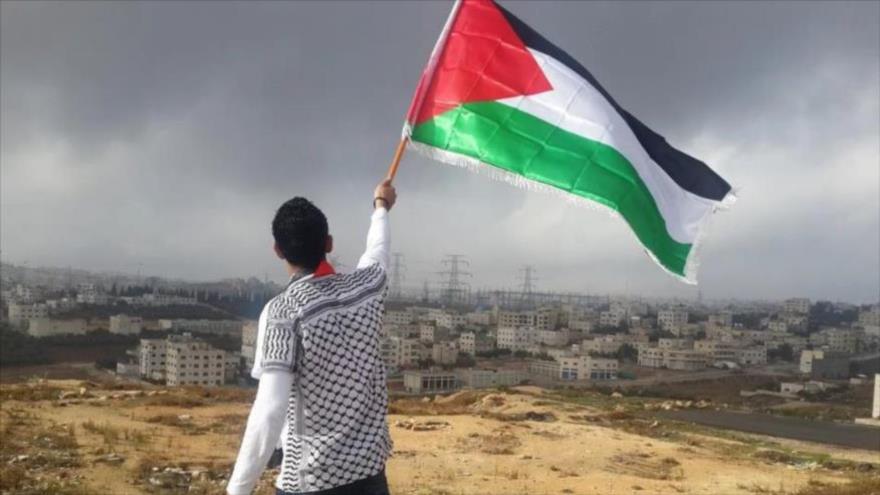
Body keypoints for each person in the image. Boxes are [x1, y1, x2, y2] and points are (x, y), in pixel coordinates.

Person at [227, 179, 397, 495]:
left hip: (311, 481)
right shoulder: (366, 289)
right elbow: (378, 250)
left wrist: (237, 489)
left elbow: (269, 409)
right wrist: (381, 207)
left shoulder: (284, 312)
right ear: (329, 243)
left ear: (277, 250)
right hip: (370, 476)